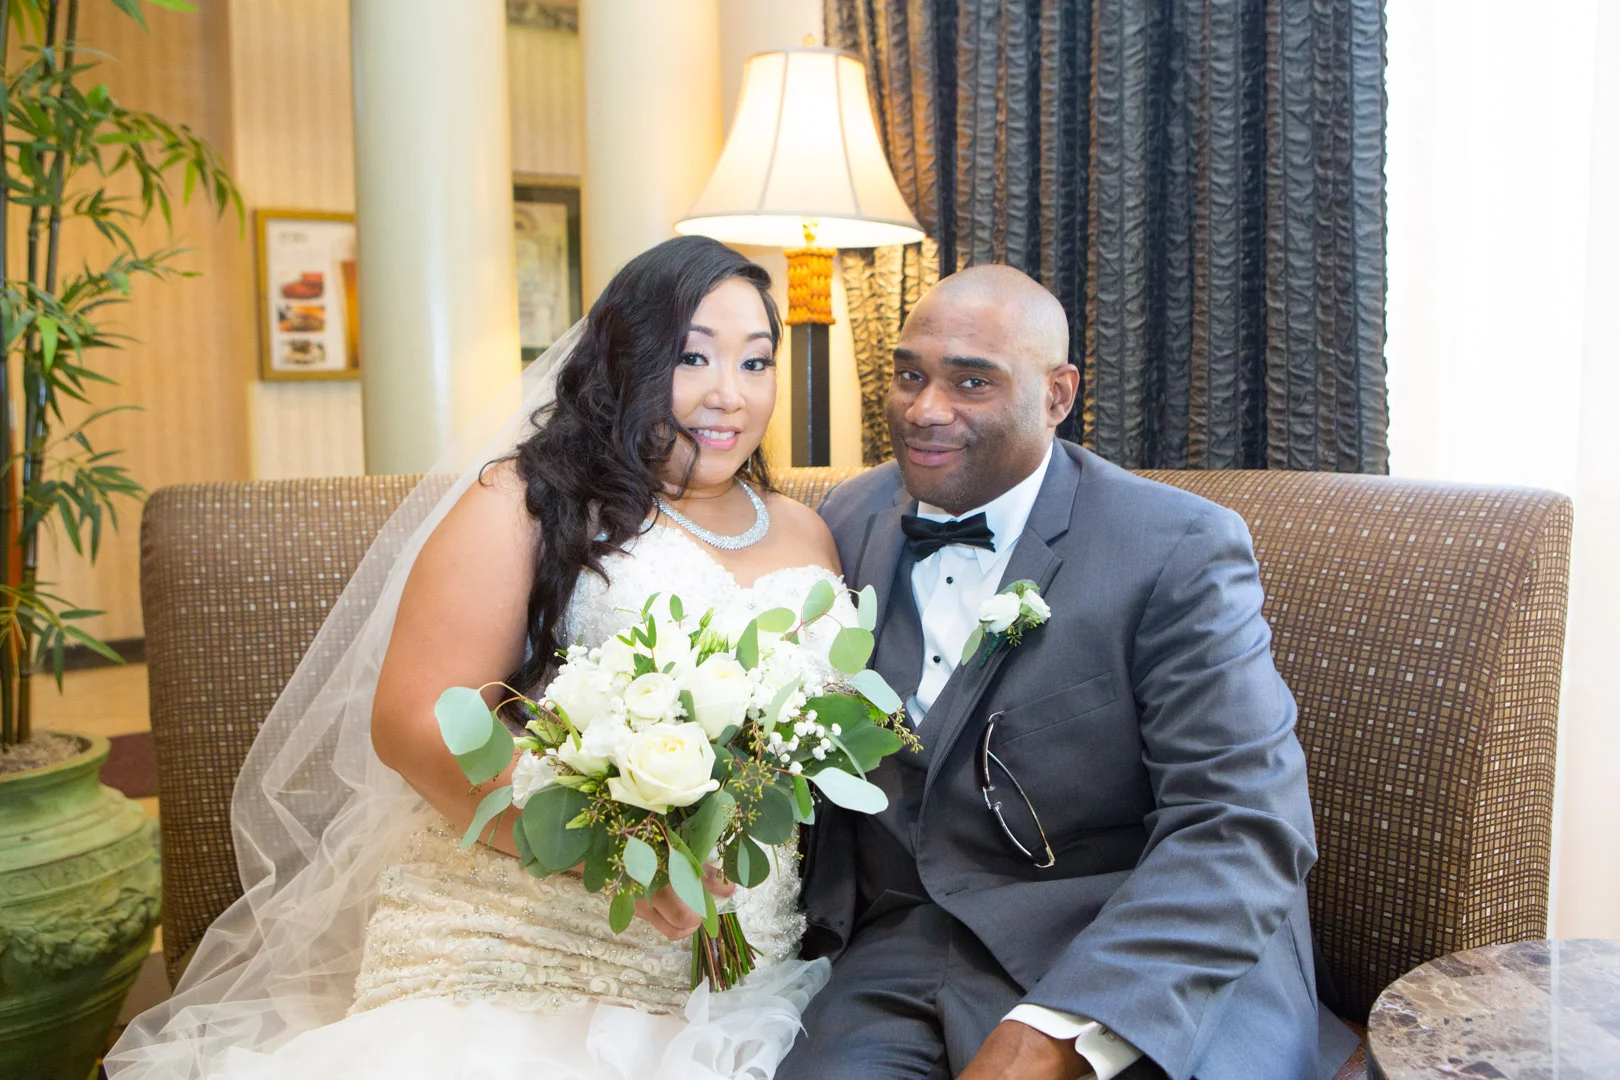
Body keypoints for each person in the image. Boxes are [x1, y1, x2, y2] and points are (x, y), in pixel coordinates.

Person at [107, 236, 851, 1080]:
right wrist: (611, 854)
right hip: (535, 936)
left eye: (756, 362)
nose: (730, 395)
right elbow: (413, 722)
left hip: (746, 965)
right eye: (692, 357)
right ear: (627, 359)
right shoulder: (528, 503)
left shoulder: (806, 531)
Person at [786, 265, 1359, 1080]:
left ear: (1057, 396)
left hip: (1122, 942)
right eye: (909, 375)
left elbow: (1242, 820)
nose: (925, 410)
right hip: (902, 946)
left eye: (972, 382)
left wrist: (1058, 1030)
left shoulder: (1177, 548)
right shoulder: (844, 519)